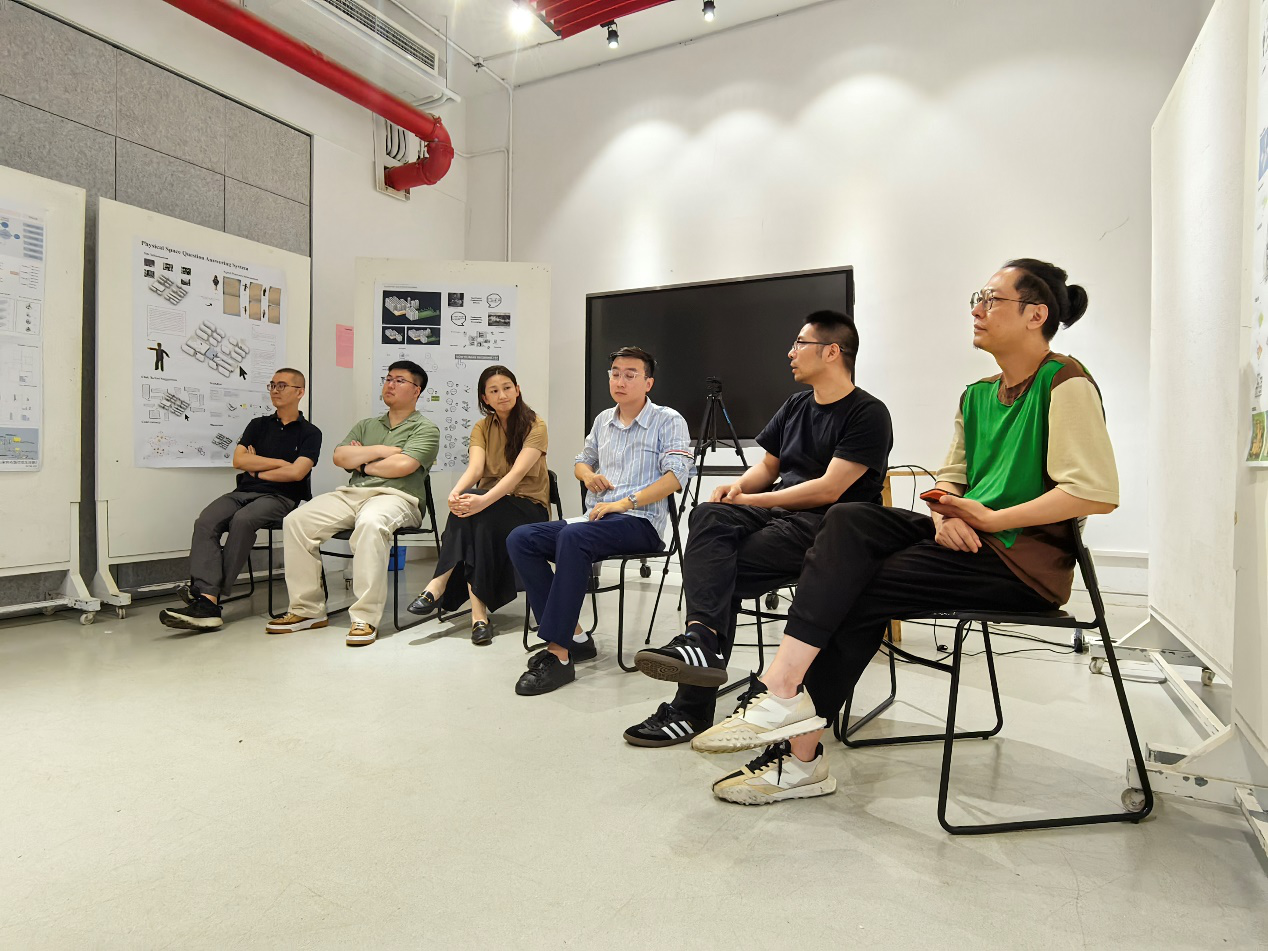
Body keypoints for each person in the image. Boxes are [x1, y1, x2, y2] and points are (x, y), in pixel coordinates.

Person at [692, 259, 1120, 806]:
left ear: (1036, 315)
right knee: (851, 518)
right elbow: (949, 478)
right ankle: (784, 696)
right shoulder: (977, 394)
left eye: (991, 299)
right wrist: (946, 514)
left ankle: (795, 742)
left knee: (855, 585)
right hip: (968, 538)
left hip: (1020, 562)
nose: (977, 309)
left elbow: (1092, 492)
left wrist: (988, 519)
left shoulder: (1066, 383)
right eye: (977, 298)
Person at [623, 311, 893, 747]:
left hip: (829, 529)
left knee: (718, 571)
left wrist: (751, 500)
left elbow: (829, 489)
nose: (790, 352)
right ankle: (702, 641)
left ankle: (692, 706)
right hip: (779, 514)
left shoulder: (868, 413)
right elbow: (768, 468)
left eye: (800, 343)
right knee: (708, 514)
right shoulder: (796, 405)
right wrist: (737, 488)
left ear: (831, 351)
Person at [506, 346, 693, 696]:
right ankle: (576, 637)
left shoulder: (668, 420)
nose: (620, 381)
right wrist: (589, 475)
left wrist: (624, 502)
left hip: (640, 523)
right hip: (595, 520)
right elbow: (581, 461)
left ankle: (558, 654)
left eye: (630, 375)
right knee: (521, 538)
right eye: (615, 374)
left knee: (573, 539)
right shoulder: (603, 420)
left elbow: (676, 476)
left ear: (648, 382)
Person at [266, 360, 439, 647]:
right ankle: (307, 610)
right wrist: (382, 452)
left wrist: (363, 462)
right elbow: (340, 457)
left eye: (399, 380)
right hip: (352, 495)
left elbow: (403, 466)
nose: (390, 384)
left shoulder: (426, 428)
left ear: (416, 390)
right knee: (296, 520)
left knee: (371, 523)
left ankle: (364, 617)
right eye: (388, 378)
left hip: (397, 498)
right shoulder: (366, 425)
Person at [159, 368, 320, 632]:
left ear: (299, 392)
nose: (275, 390)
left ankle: (207, 597)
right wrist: (280, 463)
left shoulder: (310, 433)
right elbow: (238, 460)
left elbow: (297, 473)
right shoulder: (257, 425)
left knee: (243, 521)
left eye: (282, 385)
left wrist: (256, 467)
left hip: (281, 497)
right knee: (206, 521)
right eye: (272, 385)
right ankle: (208, 602)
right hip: (243, 492)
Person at [406, 365, 550, 644]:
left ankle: (440, 584)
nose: (502, 395)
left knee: (475, 513)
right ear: (485, 398)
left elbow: (517, 474)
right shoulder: (482, 427)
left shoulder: (536, 425)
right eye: (494, 391)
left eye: (507, 388)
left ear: (517, 390)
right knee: (471, 513)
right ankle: (478, 617)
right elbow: (475, 469)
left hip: (528, 506)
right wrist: (456, 493)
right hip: (490, 506)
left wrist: (482, 500)